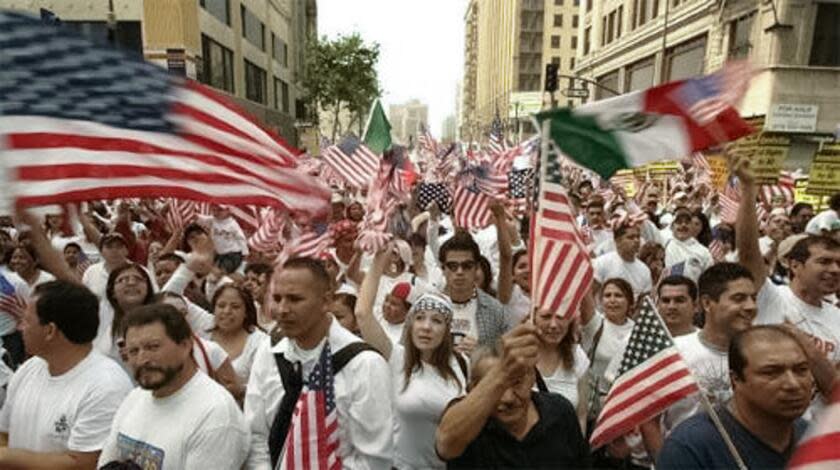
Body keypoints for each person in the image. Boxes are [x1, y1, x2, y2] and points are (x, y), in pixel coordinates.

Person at [244, 257, 393, 469]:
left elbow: (373, 459)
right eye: (277, 298)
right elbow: (256, 434)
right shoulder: (268, 349)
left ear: (326, 301)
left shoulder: (365, 365)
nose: (282, 309)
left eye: (295, 299)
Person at [98, 304, 249, 469]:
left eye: (153, 347)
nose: (142, 360)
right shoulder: (135, 397)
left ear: (185, 346)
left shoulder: (215, 414)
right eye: (133, 351)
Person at [355, 247, 467, 469]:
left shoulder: (462, 363)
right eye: (420, 318)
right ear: (410, 324)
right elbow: (362, 314)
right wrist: (379, 260)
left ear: (447, 331)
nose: (426, 327)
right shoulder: (397, 358)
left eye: (436, 321)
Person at [0, 281, 132, 468]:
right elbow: (4, 433)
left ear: (50, 331)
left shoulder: (106, 385)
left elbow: (84, 463)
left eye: (26, 321)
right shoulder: (29, 368)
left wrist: (5, 458)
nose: (20, 327)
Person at [735, 155, 840, 370]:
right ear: (795, 266)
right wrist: (748, 190)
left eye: (839, 263)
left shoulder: (837, 318)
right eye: (824, 262)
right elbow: (747, 252)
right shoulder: (771, 298)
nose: (835, 270)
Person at [435, 324, 590, 468]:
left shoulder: (560, 412)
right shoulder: (465, 422)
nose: (507, 398)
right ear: (473, 388)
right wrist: (502, 371)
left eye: (516, 382)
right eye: (497, 387)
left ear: (532, 379)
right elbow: (445, 445)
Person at [657, 326, 813, 469]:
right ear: (735, 379)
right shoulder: (691, 447)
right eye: (771, 372)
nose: (793, 384)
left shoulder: (813, 437)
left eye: (801, 370)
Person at [660, 263, 758, 437]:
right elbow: (649, 422)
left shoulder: (760, 354)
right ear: (706, 303)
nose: (751, 306)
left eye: (753, 298)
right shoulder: (672, 351)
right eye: (739, 298)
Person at [440, 230, 508, 356]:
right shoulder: (425, 305)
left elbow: (506, 360)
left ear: (476, 268)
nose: (459, 272)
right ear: (443, 268)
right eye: (452, 266)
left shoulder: (495, 310)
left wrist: (482, 353)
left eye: (467, 266)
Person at [581, 278, 636, 424]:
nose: (612, 300)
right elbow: (584, 297)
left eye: (618, 295)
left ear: (630, 301)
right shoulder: (595, 324)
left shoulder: (638, 329)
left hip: (627, 404)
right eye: (607, 295)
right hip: (595, 405)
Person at [534, 307, 589, 433]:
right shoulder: (521, 356)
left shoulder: (578, 357)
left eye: (560, 317)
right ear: (533, 318)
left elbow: (581, 416)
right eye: (546, 317)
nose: (553, 325)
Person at [209, 285, 269, 394]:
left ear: (246, 312)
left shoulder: (260, 342)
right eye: (221, 306)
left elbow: (266, 387)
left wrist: (241, 390)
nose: (227, 311)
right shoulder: (203, 332)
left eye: (235, 307)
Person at [592, 222, 652, 298]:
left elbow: (644, 301)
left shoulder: (645, 270)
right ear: (618, 241)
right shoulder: (602, 263)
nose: (636, 240)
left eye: (638, 237)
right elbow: (591, 293)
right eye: (630, 237)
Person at [664, 207, 713, 282]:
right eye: (679, 222)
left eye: (687, 222)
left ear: (692, 227)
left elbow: (709, 279)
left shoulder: (703, 251)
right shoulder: (664, 247)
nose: (683, 225)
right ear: (672, 227)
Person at [82, 233, 131, 299]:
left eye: (119, 246)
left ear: (127, 250)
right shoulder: (91, 271)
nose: (114, 251)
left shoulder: (140, 271)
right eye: (109, 247)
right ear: (101, 251)